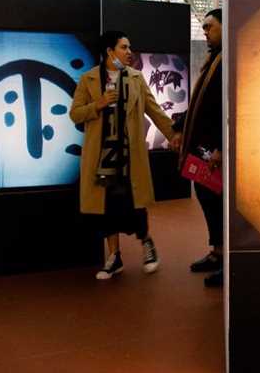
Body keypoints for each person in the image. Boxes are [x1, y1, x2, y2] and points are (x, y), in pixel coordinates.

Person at [70, 31, 180, 280]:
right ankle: (114, 258)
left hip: (129, 155)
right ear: (109, 51)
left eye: (130, 47)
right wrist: (97, 104)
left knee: (135, 203)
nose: (129, 52)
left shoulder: (136, 78)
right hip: (101, 157)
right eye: (124, 47)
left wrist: (173, 134)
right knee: (107, 206)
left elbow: (154, 109)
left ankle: (147, 244)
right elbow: (75, 114)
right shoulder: (87, 79)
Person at [173, 9, 224, 288]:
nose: (205, 31)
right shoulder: (213, 61)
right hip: (204, 148)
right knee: (206, 198)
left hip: (215, 151)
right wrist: (180, 127)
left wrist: (220, 146)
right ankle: (217, 252)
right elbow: (200, 104)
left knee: (218, 204)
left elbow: (228, 108)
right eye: (203, 27)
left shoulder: (227, 62)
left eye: (209, 26)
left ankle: (227, 259)